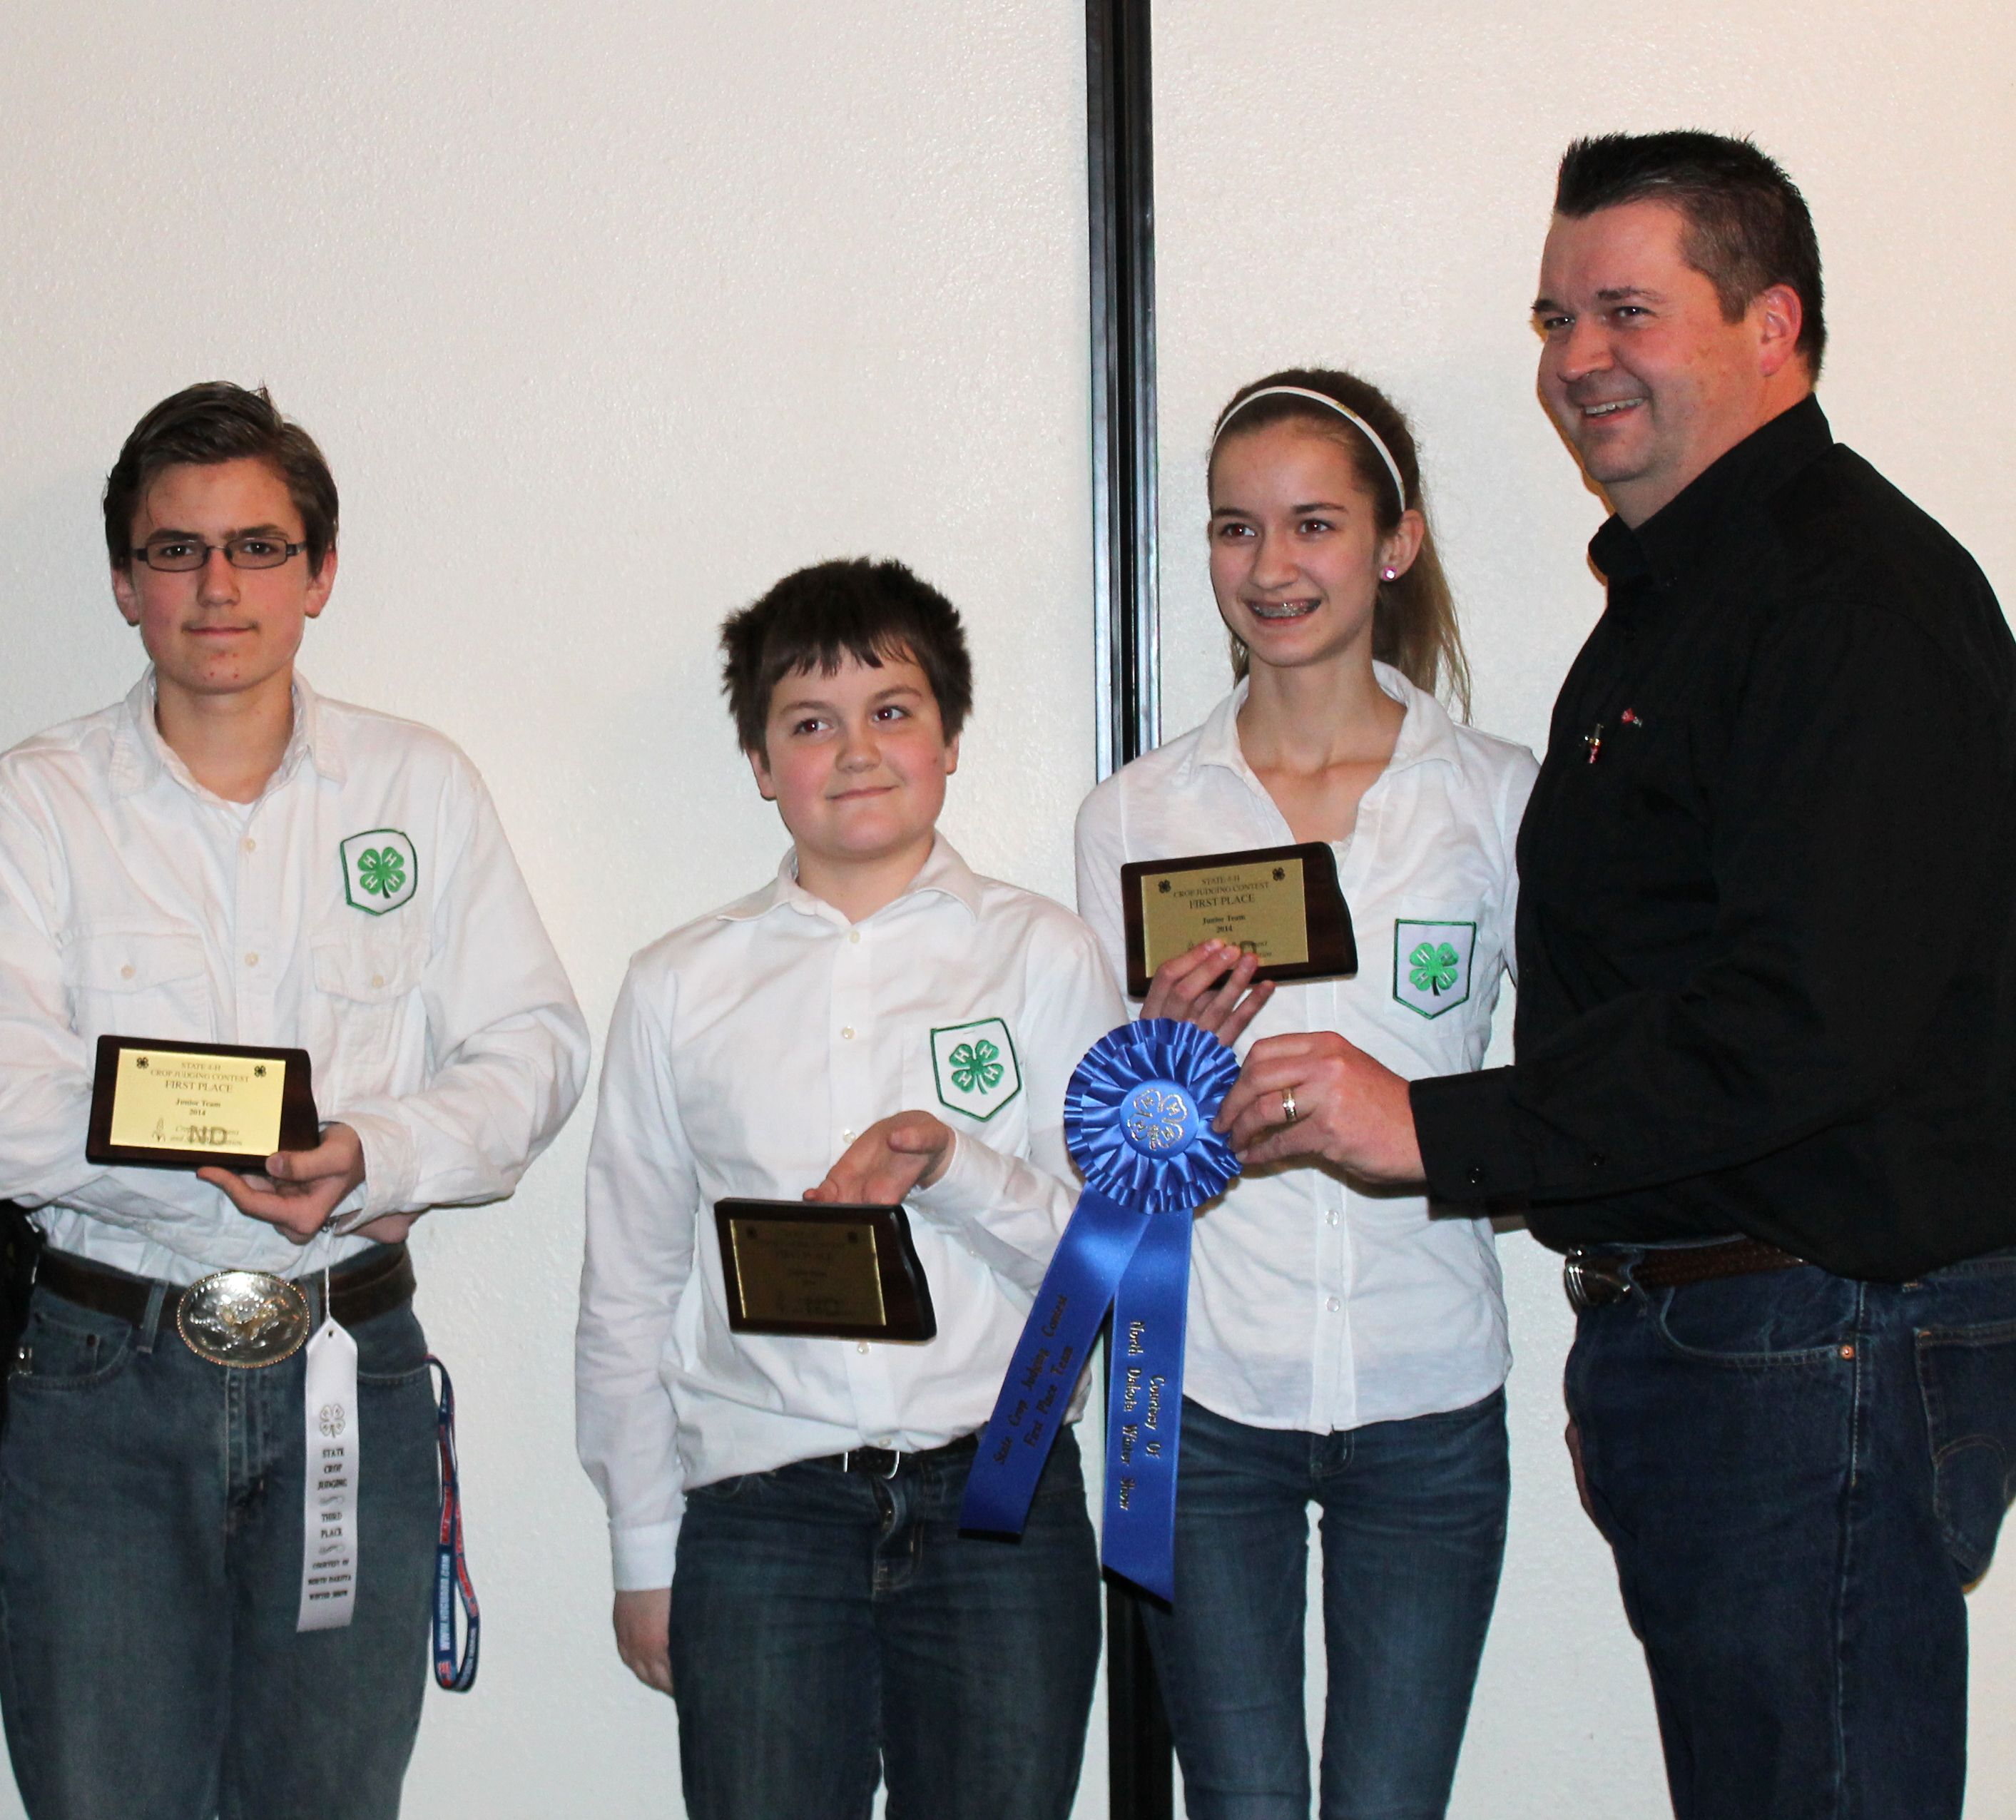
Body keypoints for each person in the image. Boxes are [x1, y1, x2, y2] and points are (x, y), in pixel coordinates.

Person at [1216, 133, 2016, 1820]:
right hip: (1724, 1336)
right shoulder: (1675, 604)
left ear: (1773, 323)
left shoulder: (1848, 603)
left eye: (1628, 310)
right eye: (1554, 315)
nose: (1578, 358)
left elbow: (1803, 1020)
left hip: (1820, 1343)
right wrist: (1636, 1326)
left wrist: (1435, 1125)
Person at [0, 382, 589, 1818]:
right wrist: (224, 1170)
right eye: (177, 549)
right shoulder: (36, 803)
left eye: (259, 547)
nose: (218, 586)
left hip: (348, 1369)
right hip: (96, 1383)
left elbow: (536, 1045)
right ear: (125, 579)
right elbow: (7, 1097)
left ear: (320, 574)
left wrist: (371, 1154)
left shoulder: (419, 787)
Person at [575, 557, 1122, 1820]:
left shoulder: (1040, 954)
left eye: (892, 710)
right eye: (809, 722)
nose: (856, 750)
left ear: (946, 739)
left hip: (1002, 1492)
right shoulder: (676, 985)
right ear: (763, 766)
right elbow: (630, 1285)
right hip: (761, 1516)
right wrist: (642, 1551)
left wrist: (956, 1169)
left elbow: (1112, 1260)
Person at [1075, 369, 1536, 1819]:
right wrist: (1151, 1063)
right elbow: (1087, 1139)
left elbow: (1569, 1099)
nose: (1270, 569)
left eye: (1314, 525)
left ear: (1395, 541)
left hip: (1429, 1389)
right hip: (1200, 1391)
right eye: (1234, 529)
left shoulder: (1501, 798)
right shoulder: (1137, 812)